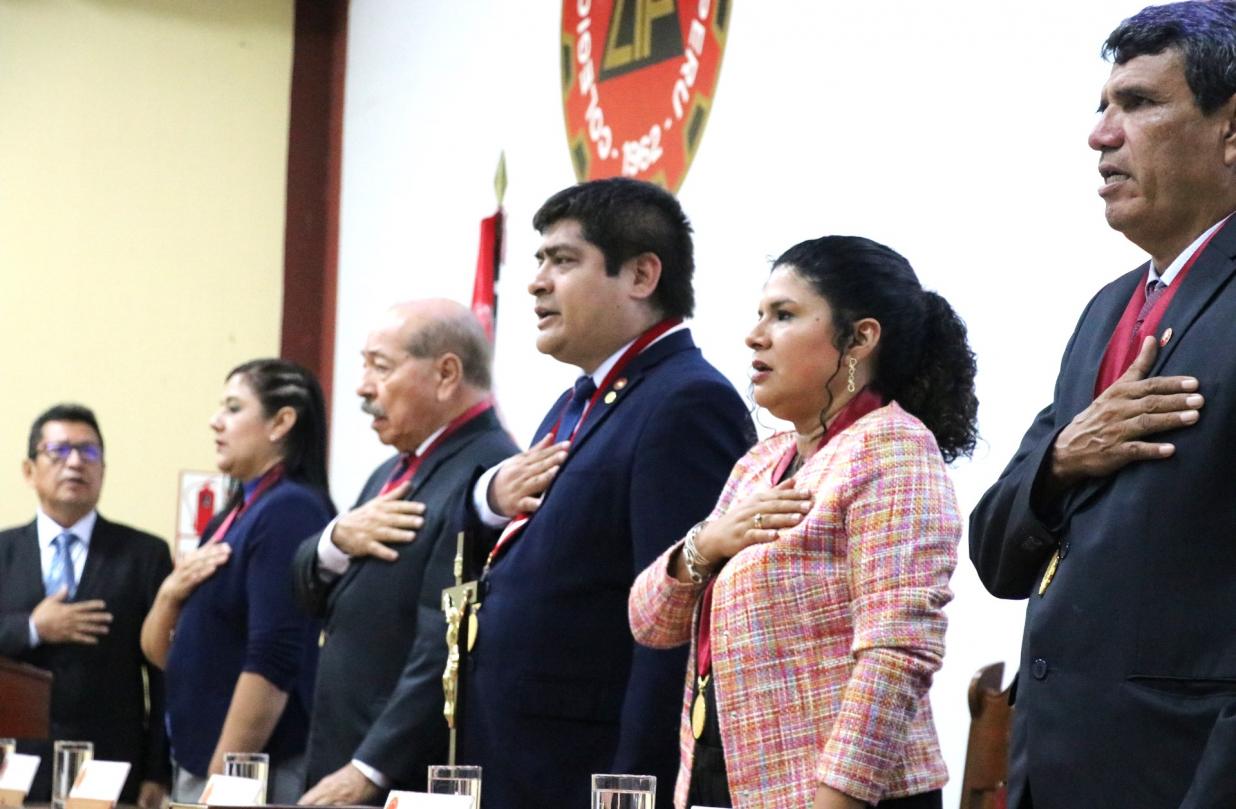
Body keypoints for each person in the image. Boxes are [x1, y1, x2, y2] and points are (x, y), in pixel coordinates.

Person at [969, 3, 1236, 807]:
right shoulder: (1107, 310)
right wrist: (1060, 462)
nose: (1100, 135)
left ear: (1230, 130)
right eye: (1102, 106)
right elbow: (997, 552)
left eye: (1139, 102)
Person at [630, 236, 978, 809]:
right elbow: (649, 622)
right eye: (759, 314)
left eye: (784, 315)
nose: (755, 335)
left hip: (845, 798)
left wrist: (835, 800)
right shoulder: (760, 463)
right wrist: (708, 542)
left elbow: (897, 653)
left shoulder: (892, 448)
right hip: (724, 782)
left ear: (860, 338)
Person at [459, 177, 755, 809]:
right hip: (521, 763)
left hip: (592, 776)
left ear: (642, 275)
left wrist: (633, 786)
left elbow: (677, 621)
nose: (537, 282)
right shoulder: (579, 401)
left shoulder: (686, 401)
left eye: (563, 260)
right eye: (538, 260)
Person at [293, 300, 517, 804]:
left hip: (399, 778)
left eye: (381, 366)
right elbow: (308, 593)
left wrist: (370, 769)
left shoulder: (488, 474)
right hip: (342, 757)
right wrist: (334, 539)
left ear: (446, 374)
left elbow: (446, 643)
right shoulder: (392, 471)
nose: (362, 386)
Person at [141, 359, 335, 804]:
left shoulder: (290, 510)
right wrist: (168, 595)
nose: (215, 421)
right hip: (199, 761)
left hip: (251, 771)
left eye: (233, 408)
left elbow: (272, 660)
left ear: (281, 423)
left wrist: (222, 781)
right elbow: (161, 653)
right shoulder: (230, 518)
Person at [0, 404, 172, 808]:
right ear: (29, 470)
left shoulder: (144, 555)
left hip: (111, 764)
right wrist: (32, 627)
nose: (75, 462)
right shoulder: (3, 551)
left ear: (103, 470)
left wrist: (156, 770)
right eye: (59, 451)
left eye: (89, 451)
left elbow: (163, 671)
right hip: (13, 762)